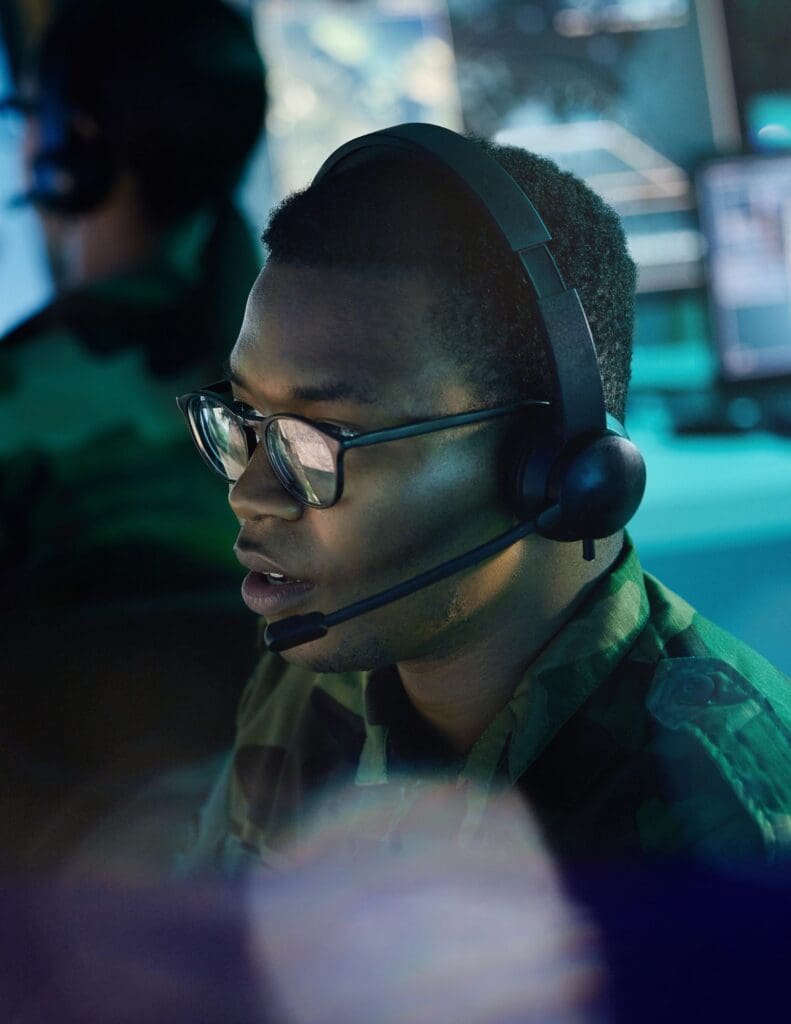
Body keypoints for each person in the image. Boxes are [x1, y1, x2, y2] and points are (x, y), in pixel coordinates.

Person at [175, 123, 791, 875]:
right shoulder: (319, 667)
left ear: (553, 468)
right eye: (246, 419)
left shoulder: (722, 825)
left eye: (319, 437)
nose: (250, 493)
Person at [0, 0, 266, 870]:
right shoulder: (306, 375)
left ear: (73, 138)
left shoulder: (21, 394)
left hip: (58, 888)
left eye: (28, 115)